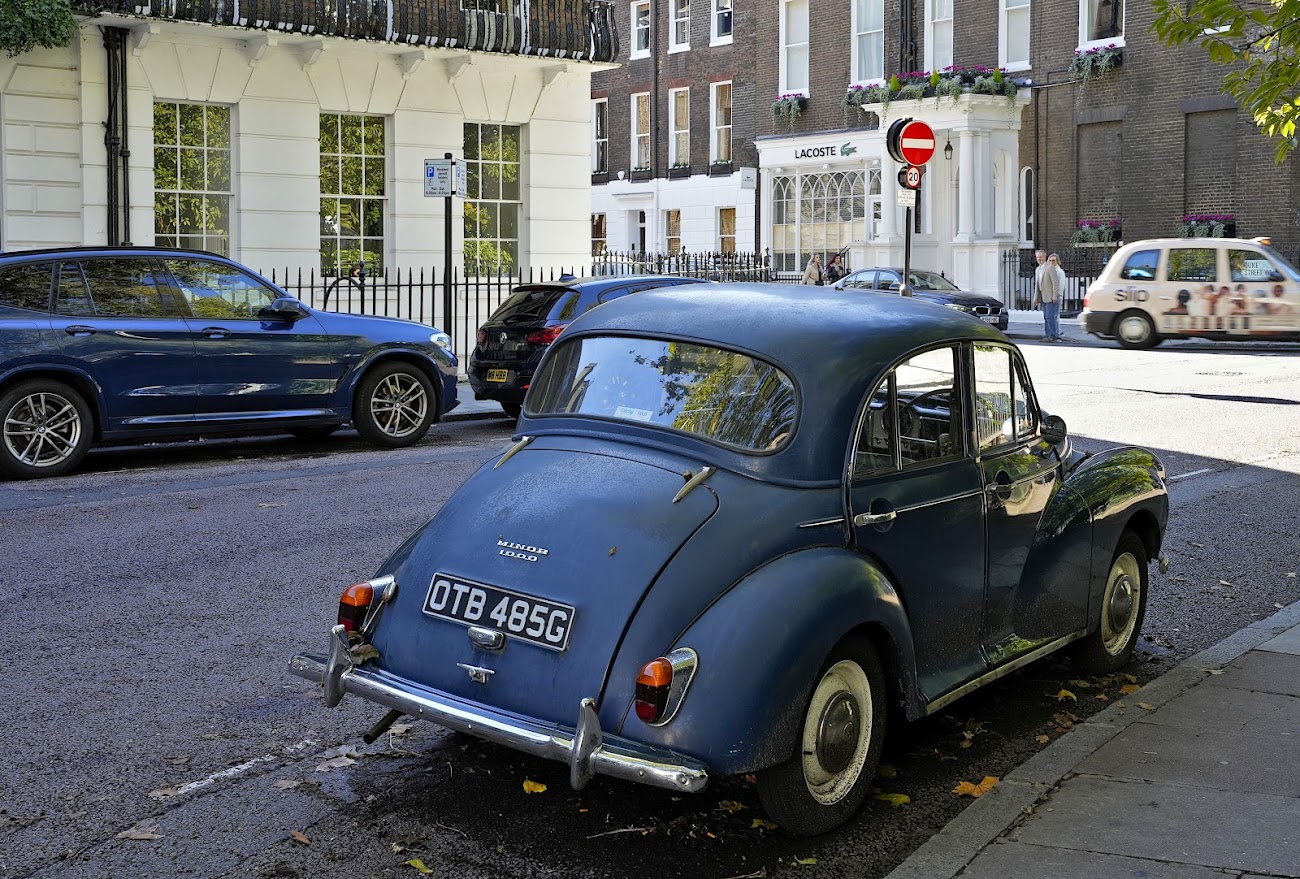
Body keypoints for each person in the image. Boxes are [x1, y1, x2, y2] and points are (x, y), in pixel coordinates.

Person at [1033, 249, 1062, 341]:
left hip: (1050, 297)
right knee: (1046, 317)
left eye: (1041, 257)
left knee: (1050, 317)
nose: (1039, 259)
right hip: (1043, 297)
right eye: (1038, 257)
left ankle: (1052, 335)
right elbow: (1037, 285)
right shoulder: (1037, 269)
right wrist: (1035, 298)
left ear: (1045, 257)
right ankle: (1048, 335)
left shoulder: (1050, 267)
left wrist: (1054, 296)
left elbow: (1055, 283)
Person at [1049, 253, 1068, 339]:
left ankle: (1057, 332)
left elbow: (1061, 286)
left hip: (1056, 297)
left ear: (1057, 261)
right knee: (1051, 316)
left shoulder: (1060, 272)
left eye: (1053, 260)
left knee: (1055, 315)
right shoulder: (1049, 270)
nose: (1051, 262)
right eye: (1050, 260)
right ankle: (1053, 332)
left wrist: (1056, 296)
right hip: (1049, 297)